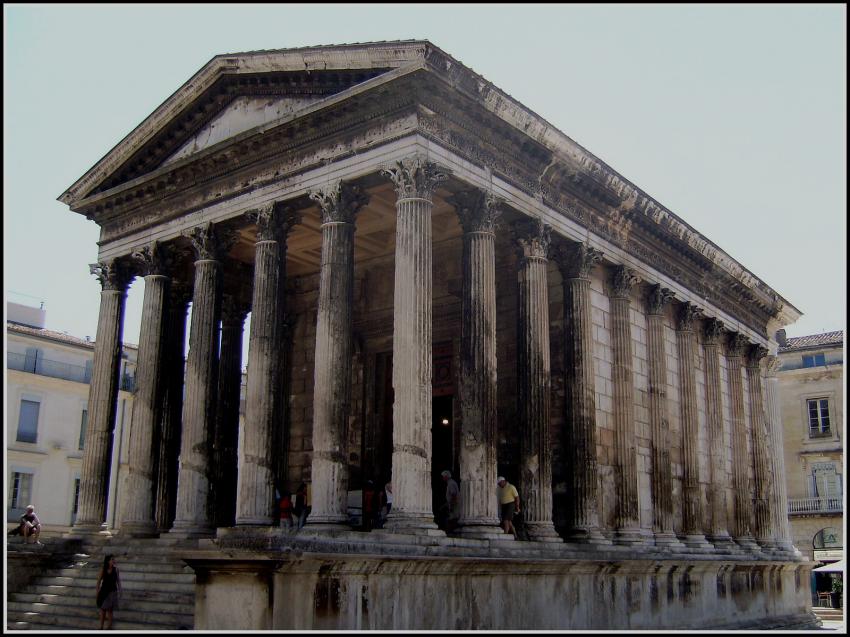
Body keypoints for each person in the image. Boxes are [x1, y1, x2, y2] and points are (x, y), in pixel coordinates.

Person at [96, 554, 121, 630]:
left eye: (114, 559)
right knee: (103, 609)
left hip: (113, 592)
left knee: (110, 610)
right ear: (107, 561)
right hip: (104, 592)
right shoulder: (103, 570)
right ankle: (101, 627)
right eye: (112, 559)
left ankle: (109, 627)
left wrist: (120, 590)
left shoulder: (116, 569)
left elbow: (118, 581)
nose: (113, 561)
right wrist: (97, 592)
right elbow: (98, 582)